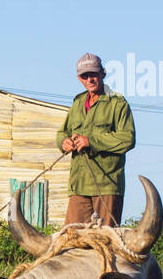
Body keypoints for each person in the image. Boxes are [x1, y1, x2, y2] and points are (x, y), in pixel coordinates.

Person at [56, 53, 136, 226]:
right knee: (71, 238)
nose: (90, 79)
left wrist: (91, 141)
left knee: (105, 242)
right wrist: (64, 142)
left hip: (106, 184)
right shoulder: (77, 103)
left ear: (103, 74)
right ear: (79, 78)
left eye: (93, 74)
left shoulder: (118, 103)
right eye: (85, 76)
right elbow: (62, 133)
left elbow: (128, 138)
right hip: (79, 185)